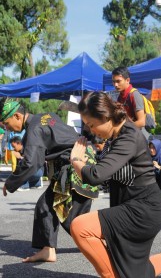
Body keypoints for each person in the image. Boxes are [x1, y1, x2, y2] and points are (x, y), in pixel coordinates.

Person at [69, 91, 161, 278]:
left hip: (143, 211)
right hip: (129, 206)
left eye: (91, 124)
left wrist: (76, 159)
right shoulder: (114, 136)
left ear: (105, 117)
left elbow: (96, 175)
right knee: (135, 272)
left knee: (81, 227)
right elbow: (105, 175)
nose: (91, 131)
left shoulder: (128, 136)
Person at [0, 97, 98, 262]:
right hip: (80, 163)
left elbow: (31, 162)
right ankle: (48, 249)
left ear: (17, 116)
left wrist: (10, 183)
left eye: (6, 123)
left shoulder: (33, 129)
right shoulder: (46, 116)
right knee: (46, 206)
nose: (8, 128)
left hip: (73, 166)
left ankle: (108, 241)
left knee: (70, 218)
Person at [112, 66, 150, 139]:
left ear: (127, 80)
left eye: (118, 81)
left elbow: (141, 122)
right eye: (113, 82)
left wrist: (121, 129)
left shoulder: (134, 95)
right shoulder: (120, 97)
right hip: (130, 136)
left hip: (140, 138)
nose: (115, 85)